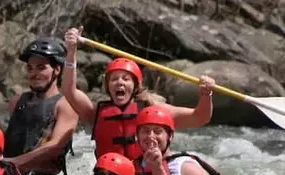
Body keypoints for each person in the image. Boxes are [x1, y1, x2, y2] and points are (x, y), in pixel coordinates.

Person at [61, 26, 215, 160]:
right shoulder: (94, 113)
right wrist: (71, 52)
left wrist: (205, 94)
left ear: (135, 86)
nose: (119, 82)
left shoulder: (154, 109)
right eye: (114, 79)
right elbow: (69, 90)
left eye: (126, 79)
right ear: (107, 87)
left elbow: (199, 117)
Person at [1, 38, 79, 175]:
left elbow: (55, 145)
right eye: (30, 68)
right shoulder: (17, 101)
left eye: (41, 68)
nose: (34, 74)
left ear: (57, 70)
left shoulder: (65, 105)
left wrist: (16, 162)